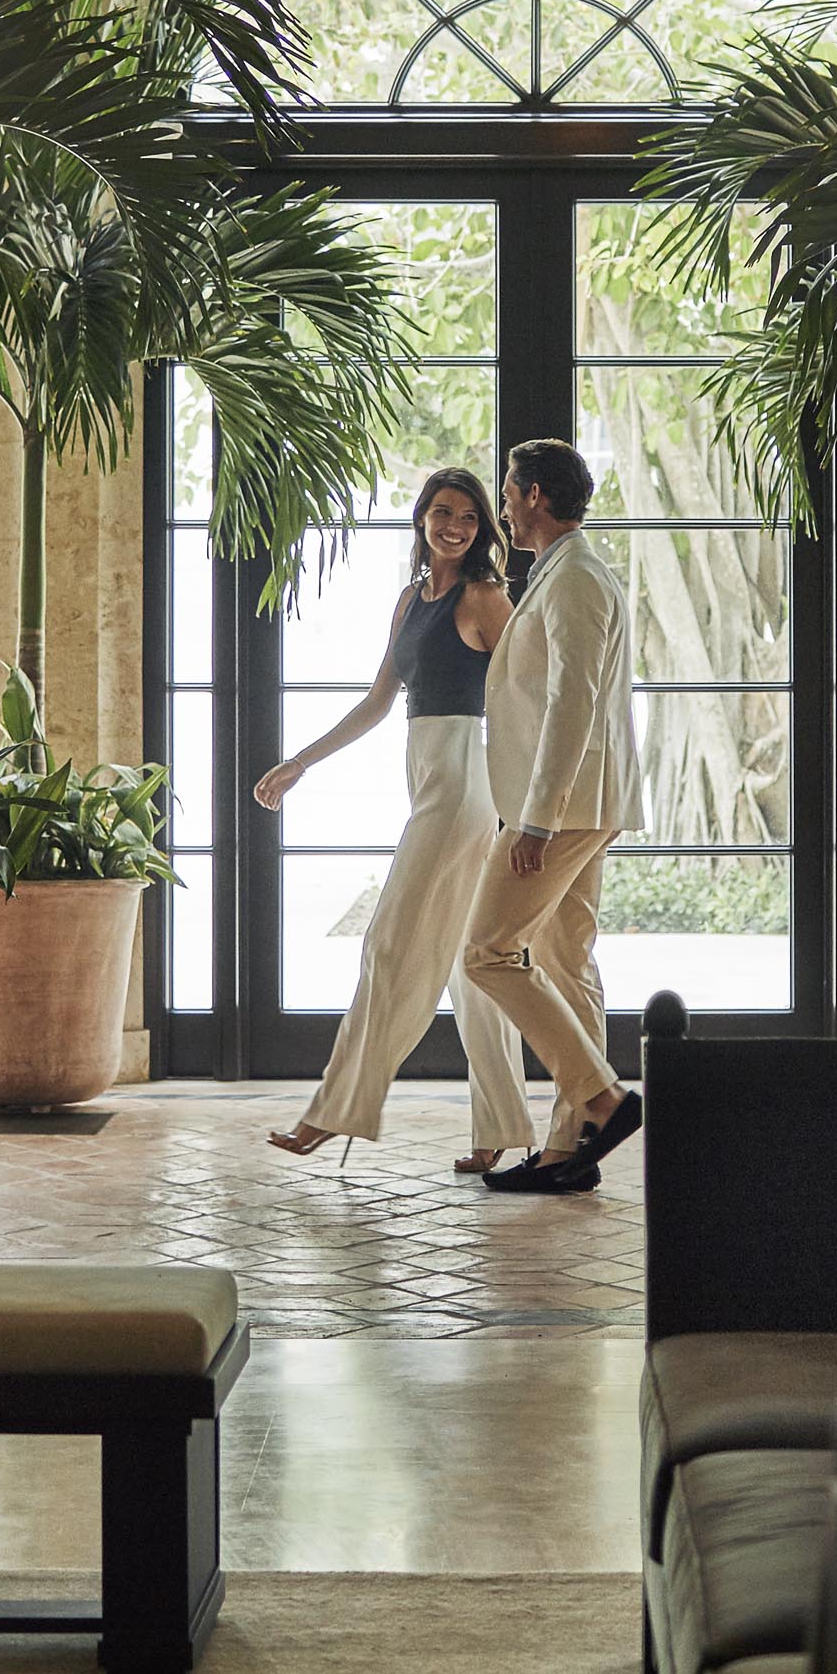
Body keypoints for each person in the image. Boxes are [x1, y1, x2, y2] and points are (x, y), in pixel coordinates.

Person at [257, 468, 542, 1173]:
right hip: (428, 782)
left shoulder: (486, 598)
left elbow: (533, 695)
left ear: (483, 529)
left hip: (464, 789)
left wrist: (535, 805)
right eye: (443, 512)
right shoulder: (410, 601)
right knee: (471, 964)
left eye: (470, 516)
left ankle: (333, 1113)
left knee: (387, 944)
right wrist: (299, 762)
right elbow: (378, 702)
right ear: (421, 518)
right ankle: (502, 1127)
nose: (456, 526)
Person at [461, 438, 645, 1195]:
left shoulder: (575, 578)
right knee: (567, 961)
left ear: (534, 494)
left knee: (486, 952)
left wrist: (535, 819)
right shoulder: (564, 572)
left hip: (564, 807)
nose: (504, 506)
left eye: (508, 491)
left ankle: (603, 1101)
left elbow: (575, 702)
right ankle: (570, 1149)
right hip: (579, 800)